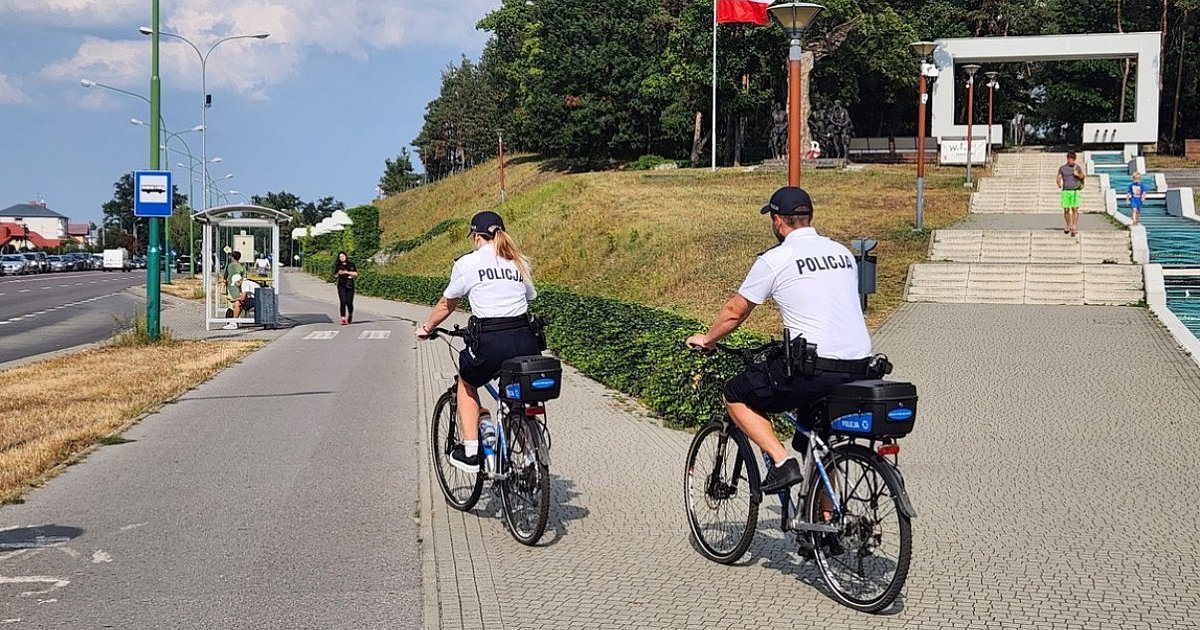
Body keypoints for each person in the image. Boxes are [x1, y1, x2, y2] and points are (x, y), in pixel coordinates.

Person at [686, 186, 874, 494]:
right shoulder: (842, 254)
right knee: (818, 442)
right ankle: (826, 526)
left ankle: (781, 460)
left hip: (813, 369)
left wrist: (708, 339)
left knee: (735, 393)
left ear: (777, 221)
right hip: (860, 367)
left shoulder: (778, 258)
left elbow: (735, 311)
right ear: (810, 217)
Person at [416, 211, 540, 472]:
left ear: (476, 237)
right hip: (526, 342)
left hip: (490, 341)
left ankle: (471, 451)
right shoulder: (518, 261)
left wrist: (427, 328)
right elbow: (529, 296)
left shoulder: (467, 264)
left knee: (467, 382)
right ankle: (531, 460)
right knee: (513, 397)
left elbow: (446, 304)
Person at [1057, 151, 1086, 237]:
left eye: (1073, 159)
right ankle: (1068, 225)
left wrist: (1077, 174)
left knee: (1075, 209)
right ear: (1068, 159)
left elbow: (1083, 176)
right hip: (1066, 191)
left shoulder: (1077, 167)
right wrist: (1058, 182)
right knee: (1066, 209)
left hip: (1075, 190)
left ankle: (1074, 226)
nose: (1071, 161)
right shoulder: (1062, 168)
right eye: (1070, 159)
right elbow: (1059, 176)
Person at [332, 251, 358, 325]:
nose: (342, 258)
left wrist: (347, 272)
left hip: (350, 285)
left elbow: (356, 274)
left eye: (343, 256)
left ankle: (350, 314)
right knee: (343, 302)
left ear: (346, 256)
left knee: (349, 302)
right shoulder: (338, 265)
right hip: (341, 285)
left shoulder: (351, 264)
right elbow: (335, 276)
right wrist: (338, 273)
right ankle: (343, 318)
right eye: (340, 257)